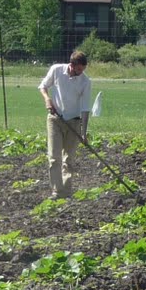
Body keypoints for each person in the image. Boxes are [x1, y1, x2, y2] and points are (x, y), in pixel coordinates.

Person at [38, 51, 92, 198]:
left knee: (69, 159)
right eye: (79, 69)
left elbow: (86, 108)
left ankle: (66, 192)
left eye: (83, 70)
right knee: (54, 158)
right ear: (71, 65)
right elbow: (43, 86)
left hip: (73, 122)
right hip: (55, 119)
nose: (81, 73)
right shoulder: (56, 70)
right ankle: (57, 191)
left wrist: (83, 132)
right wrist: (47, 100)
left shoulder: (85, 82)